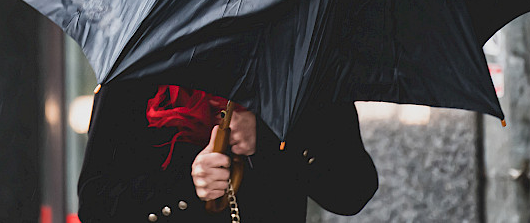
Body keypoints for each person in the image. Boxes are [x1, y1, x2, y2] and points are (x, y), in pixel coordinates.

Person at [78, 80, 378, 222]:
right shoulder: (135, 73)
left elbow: (352, 191)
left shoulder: (302, 69)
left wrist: (273, 137)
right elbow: (95, 206)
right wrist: (187, 185)